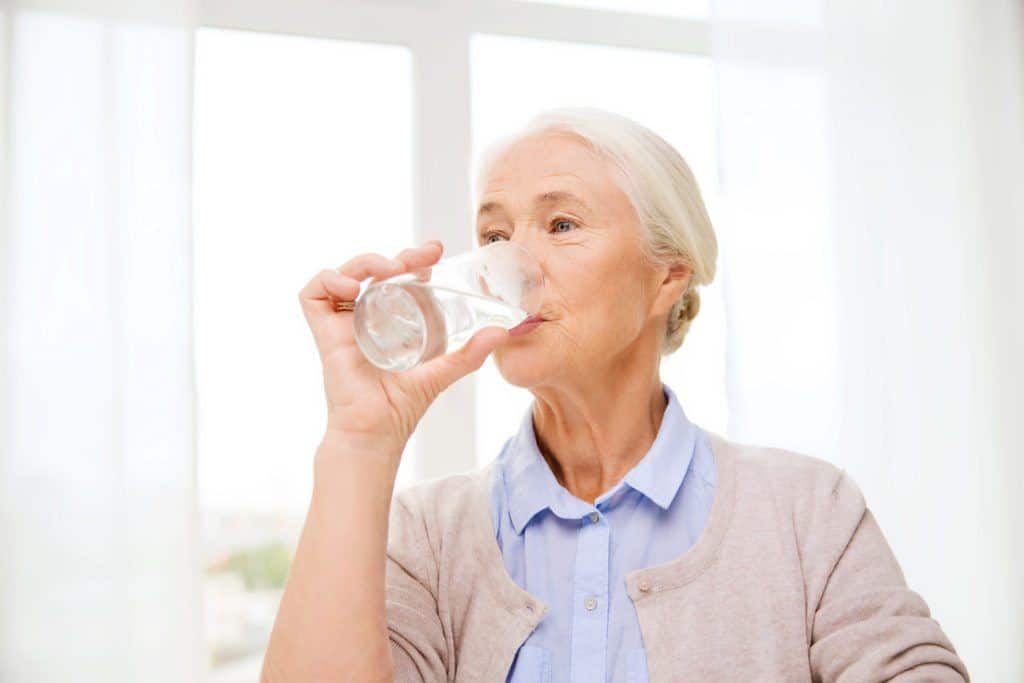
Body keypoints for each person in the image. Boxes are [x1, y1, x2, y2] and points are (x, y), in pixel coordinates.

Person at [261, 107, 969, 682]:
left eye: (562, 224)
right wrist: (359, 440)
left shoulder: (806, 511)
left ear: (667, 277)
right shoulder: (427, 535)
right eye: (495, 234)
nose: (509, 266)